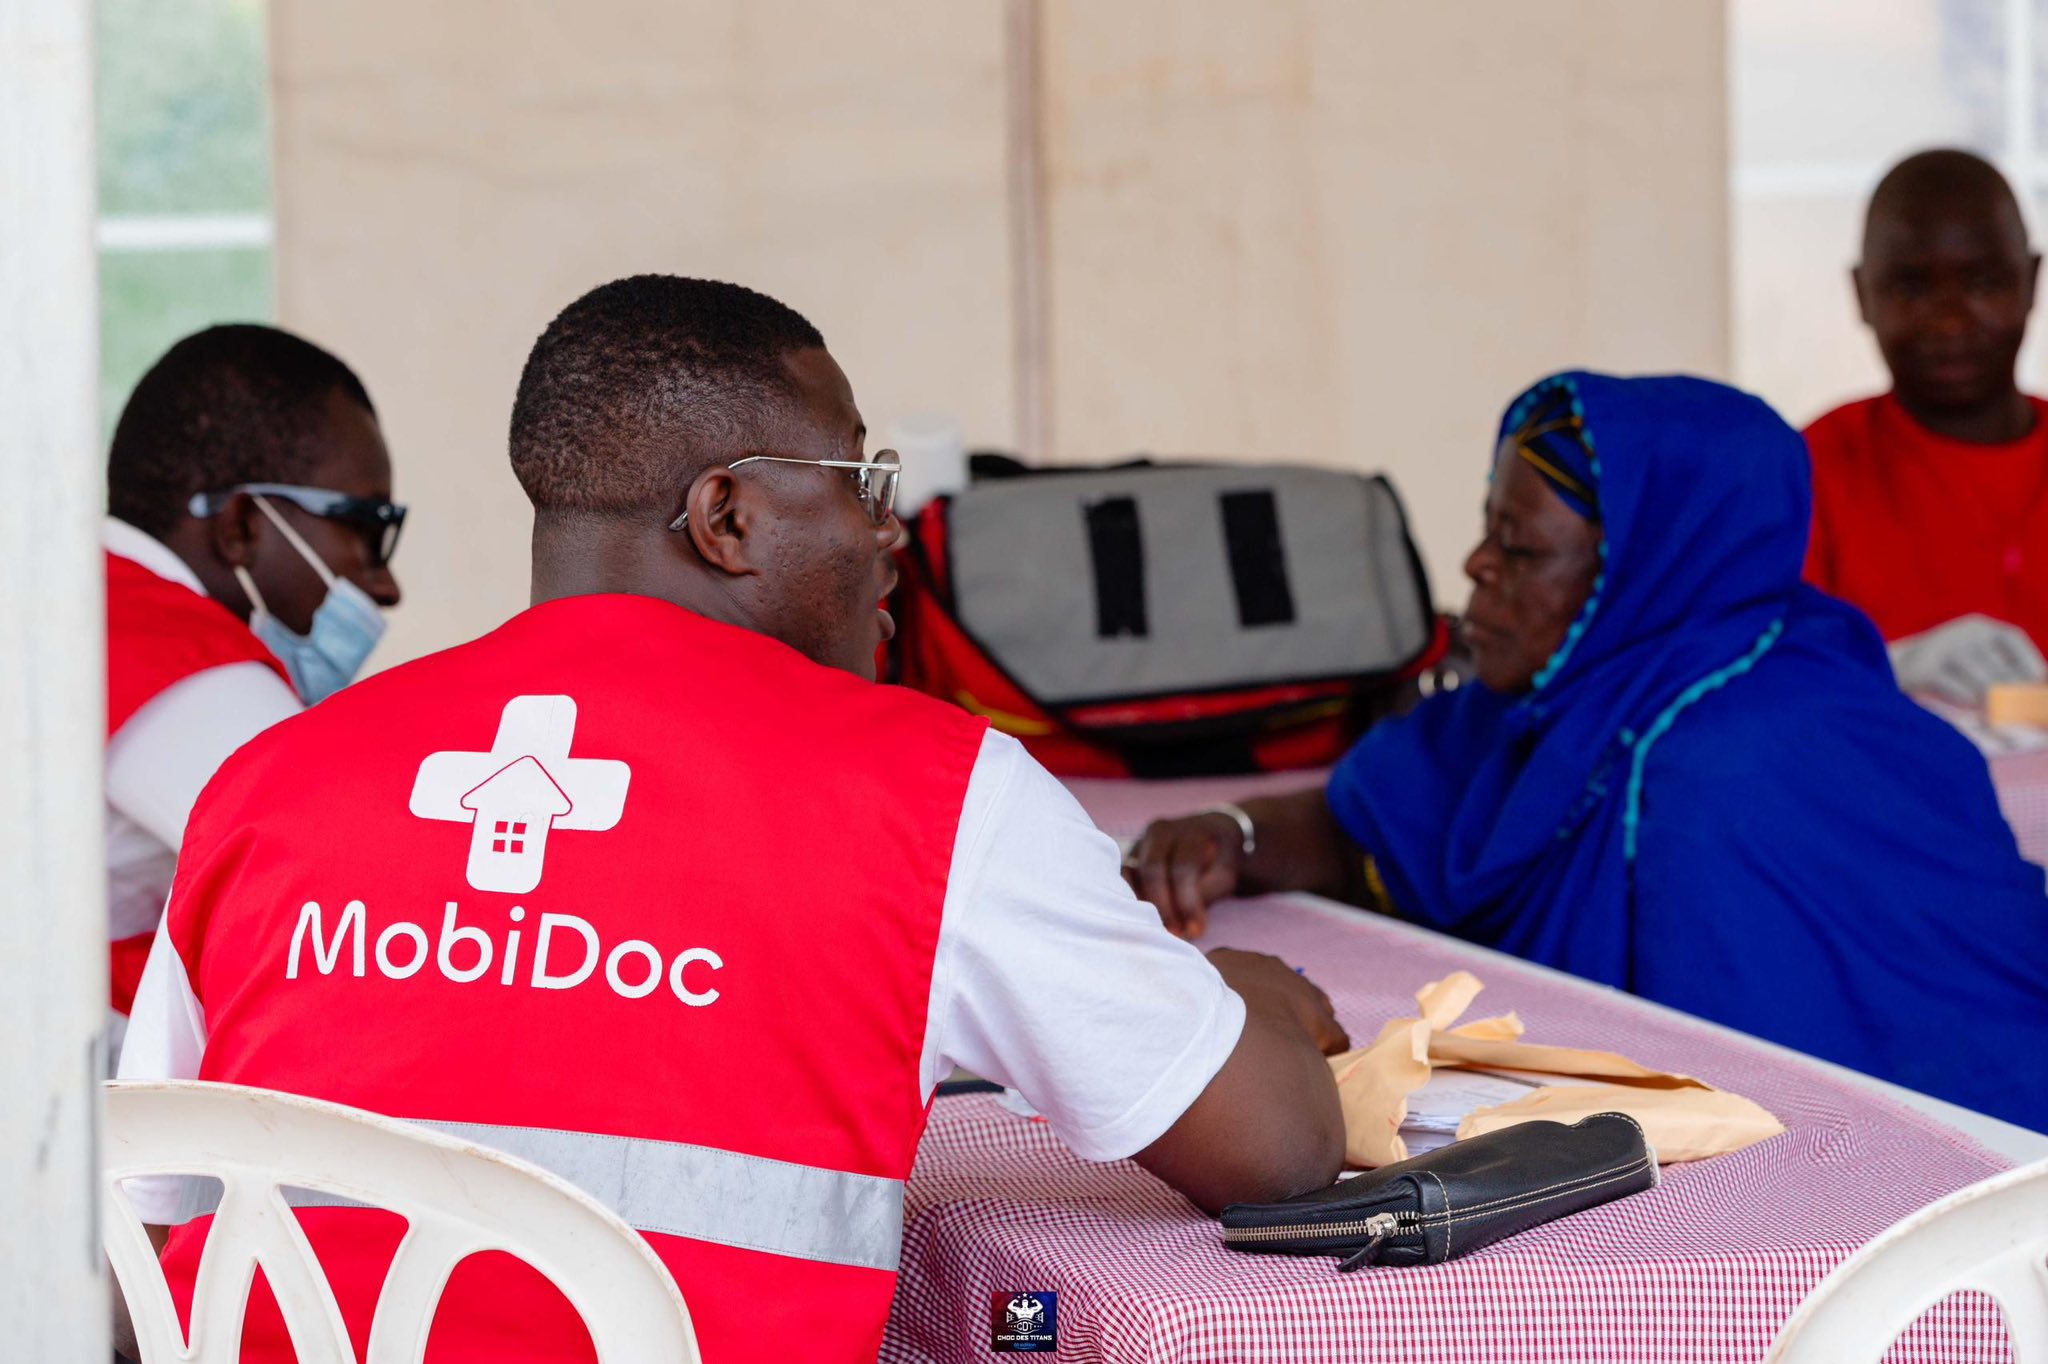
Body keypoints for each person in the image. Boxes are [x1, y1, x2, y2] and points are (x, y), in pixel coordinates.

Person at [116, 276, 1347, 1364]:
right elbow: (1276, 1149)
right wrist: (1252, 1004)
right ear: (726, 517)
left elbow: (165, 1204)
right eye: (864, 484)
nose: (890, 535)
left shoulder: (272, 775)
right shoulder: (933, 790)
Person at [1128, 371, 2048, 1133]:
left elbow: (1754, 1118)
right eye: (1490, 528)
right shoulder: (1568, 697)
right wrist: (1232, 834)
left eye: (1521, 548)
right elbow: (1378, 824)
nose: (1478, 567)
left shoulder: (1721, 774)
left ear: (1635, 577)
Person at [102, 324, 403, 1043]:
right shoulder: (172, 656)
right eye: (364, 527)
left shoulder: (69, 602)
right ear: (240, 526)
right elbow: (363, 917)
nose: (383, 583)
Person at [1805, 149, 2048, 705]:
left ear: (2032, 281)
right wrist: (1892, 664)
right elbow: (1753, 676)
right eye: (1911, 289)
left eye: (1984, 283)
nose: (1950, 320)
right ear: (1862, 294)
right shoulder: (1808, 471)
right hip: (1878, 791)